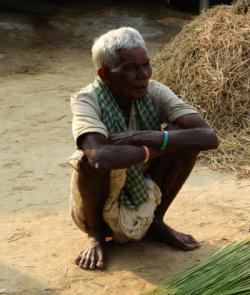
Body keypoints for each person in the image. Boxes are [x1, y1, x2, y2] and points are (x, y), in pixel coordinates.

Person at [68, 27, 219, 270]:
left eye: (146, 65)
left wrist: (142, 137)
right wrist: (160, 145)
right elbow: (101, 156)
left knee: (184, 141)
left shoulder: (154, 91)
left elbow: (208, 137)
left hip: (143, 181)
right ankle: (96, 236)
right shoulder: (86, 99)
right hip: (97, 204)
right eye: (129, 69)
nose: (143, 75)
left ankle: (155, 222)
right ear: (105, 75)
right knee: (87, 162)